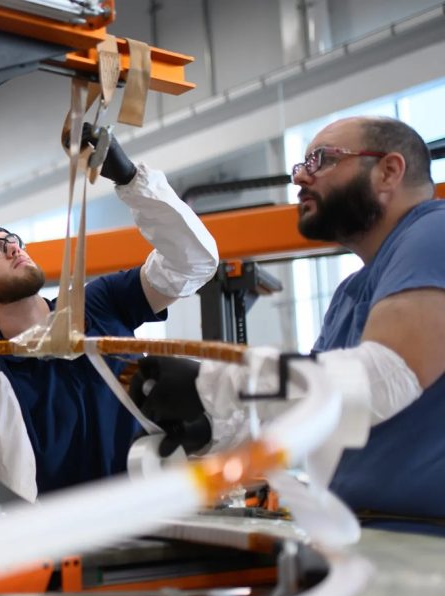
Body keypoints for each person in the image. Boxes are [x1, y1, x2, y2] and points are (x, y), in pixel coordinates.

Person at [131, 116, 445, 526]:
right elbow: (319, 408)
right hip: (371, 534)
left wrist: (213, 383)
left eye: (321, 159)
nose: (300, 178)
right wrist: (210, 428)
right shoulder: (352, 292)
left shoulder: (434, 232)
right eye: (300, 165)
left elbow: (385, 378)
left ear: (389, 171)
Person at [0, 133, 219, 501]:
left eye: (12, 239)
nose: (13, 248)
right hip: (75, 546)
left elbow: (193, 263)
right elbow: (10, 488)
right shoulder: (0, 377)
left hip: (159, 517)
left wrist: (130, 178)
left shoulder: (96, 305)